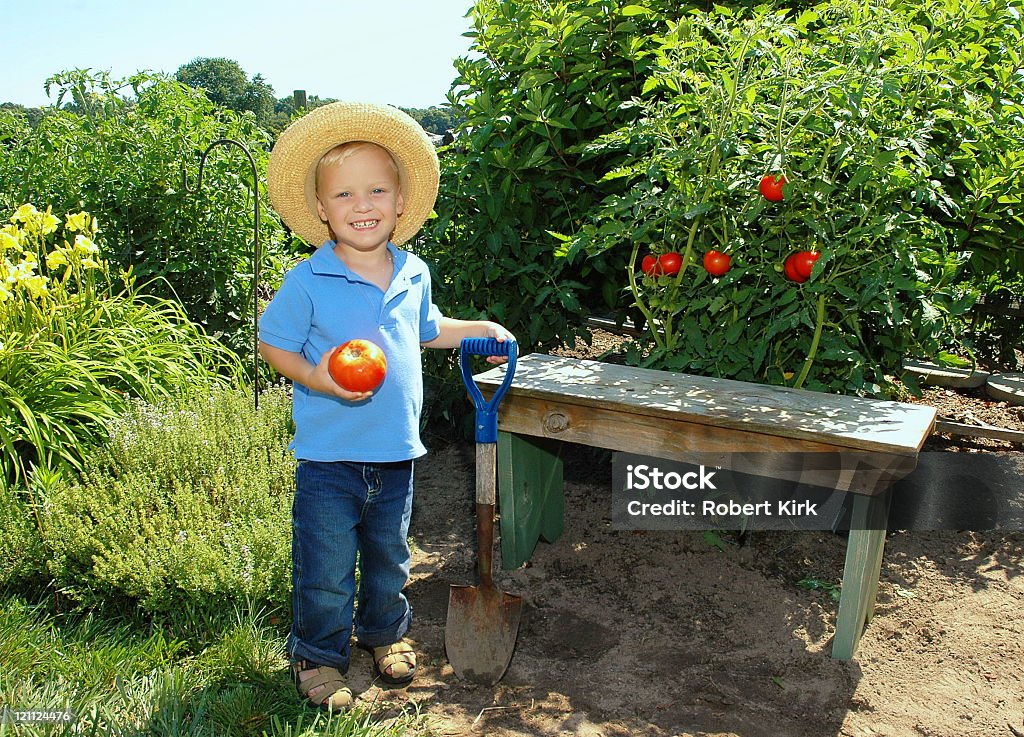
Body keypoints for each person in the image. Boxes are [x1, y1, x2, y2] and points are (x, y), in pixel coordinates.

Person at [258, 102, 514, 712]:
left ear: (401, 202)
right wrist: (316, 377)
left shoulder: (414, 271)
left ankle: (383, 634)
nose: (362, 204)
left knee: (388, 556)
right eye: (344, 194)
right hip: (329, 458)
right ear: (322, 210)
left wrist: (480, 328)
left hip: (397, 453)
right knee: (324, 567)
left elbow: (427, 329)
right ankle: (317, 656)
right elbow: (273, 345)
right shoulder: (309, 280)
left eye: (377, 189)